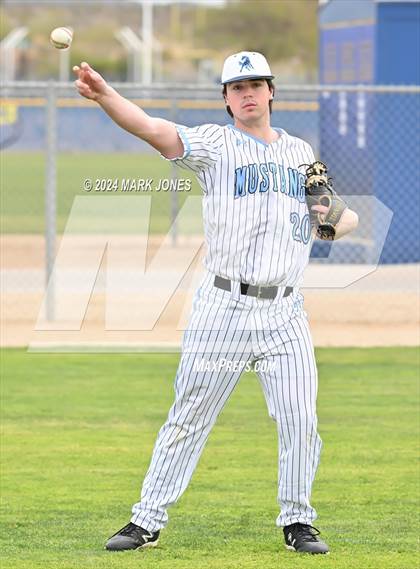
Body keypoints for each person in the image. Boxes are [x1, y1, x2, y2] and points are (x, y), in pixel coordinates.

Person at [73, 51, 358, 555]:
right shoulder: (215, 143)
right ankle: (146, 520)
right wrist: (105, 96)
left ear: (271, 91)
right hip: (223, 307)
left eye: (255, 84)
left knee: (300, 419)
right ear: (225, 99)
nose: (247, 93)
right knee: (190, 414)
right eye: (236, 87)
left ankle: (298, 521)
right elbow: (151, 128)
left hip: (285, 313)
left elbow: (334, 215)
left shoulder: (301, 152)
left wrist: (332, 217)